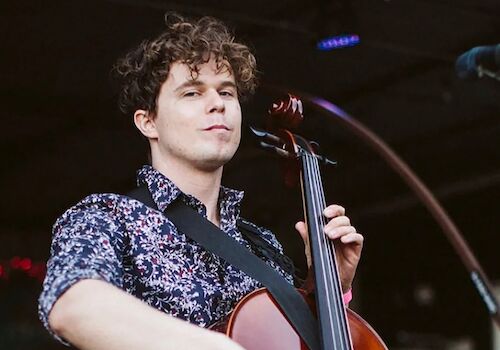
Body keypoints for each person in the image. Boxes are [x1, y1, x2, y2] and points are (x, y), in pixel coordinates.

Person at [38, 13, 363, 350]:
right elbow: (72, 304)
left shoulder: (262, 246)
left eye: (227, 92)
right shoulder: (108, 216)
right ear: (148, 122)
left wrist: (330, 288)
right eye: (192, 93)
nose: (217, 105)